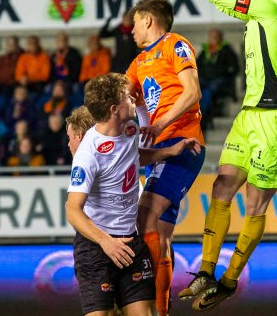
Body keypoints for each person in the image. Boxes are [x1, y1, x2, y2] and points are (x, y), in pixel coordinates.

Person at [179, 0, 277, 310]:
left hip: (275, 120)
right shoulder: (263, 10)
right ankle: (206, 271)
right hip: (249, 114)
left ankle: (229, 280)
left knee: (255, 206)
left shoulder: (270, 8)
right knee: (222, 186)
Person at [66, 73, 200, 316]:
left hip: (131, 241)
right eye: (128, 97)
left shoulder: (129, 129)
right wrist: (106, 242)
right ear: (114, 109)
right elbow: (72, 210)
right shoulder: (88, 154)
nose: (133, 98)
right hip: (97, 248)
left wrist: (170, 151)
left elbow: (134, 156)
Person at [125, 0, 206, 316]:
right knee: (161, 234)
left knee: (145, 220)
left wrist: (158, 123)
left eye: (134, 22)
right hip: (160, 148)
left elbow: (192, 92)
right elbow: (122, 94)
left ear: (148, 20)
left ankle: (148, 307)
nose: (131, 30)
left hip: (182, 142)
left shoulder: (176, 44)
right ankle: (161, 309)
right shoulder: (139, 61)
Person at [197, 28, 240, 127]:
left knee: (208, 91)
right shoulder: (205, 51)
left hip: (221, 81)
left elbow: (235, 68)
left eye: (215, 37)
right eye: (211, 37)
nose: (213, 39)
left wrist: (224, 74)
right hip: (205, 80)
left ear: (220, 38)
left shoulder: (227, 50)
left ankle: (202, 118)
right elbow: (195, 66)